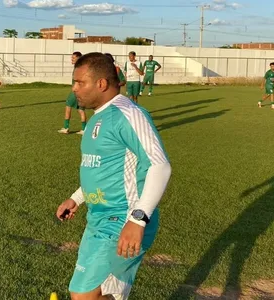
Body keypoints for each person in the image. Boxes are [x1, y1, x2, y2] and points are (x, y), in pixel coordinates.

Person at [56, 52, 172, 300]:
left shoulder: (128, 114)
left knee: (83, 295)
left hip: (123, 218)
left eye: (80, 82)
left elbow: (159, 166)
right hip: (98, 218)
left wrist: (138, 219)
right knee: (104, 294)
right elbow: (99, 168)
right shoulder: (99, 116)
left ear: (101, 84)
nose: (74, 89)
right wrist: (76, 198)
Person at [58, 51, 87, 135]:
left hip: (76, 91)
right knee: (80, 110)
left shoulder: (78, 68)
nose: (72, 59)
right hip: (81, 91)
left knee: (68, 106)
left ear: (78, 58)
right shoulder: (82, 67)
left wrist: (76, 87)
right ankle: (84, 129)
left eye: (73, 58)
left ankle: (66, 128)